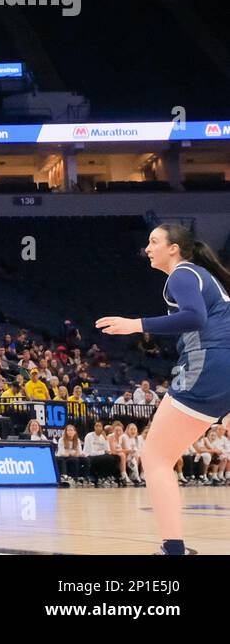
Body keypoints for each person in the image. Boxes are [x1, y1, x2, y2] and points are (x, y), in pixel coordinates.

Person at [98, 223, 230, 553]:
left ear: (174, 248)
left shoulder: (183, 275)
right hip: (223, 366)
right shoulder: (203, 277)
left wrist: (136, 325)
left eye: (154, 241)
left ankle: (173, 550)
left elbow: (194, 319)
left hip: (208, 365)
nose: (148, 247)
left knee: (155, 457)